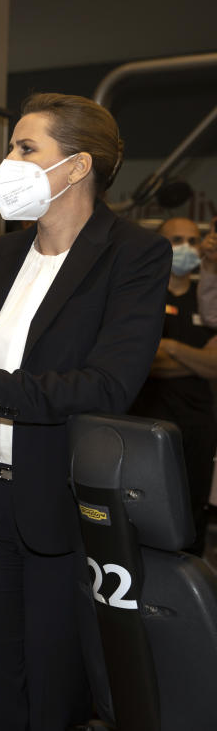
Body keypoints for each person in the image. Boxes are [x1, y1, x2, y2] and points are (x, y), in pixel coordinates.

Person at [0, 93, 171, 730]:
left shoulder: (133, 256)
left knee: (56, 698)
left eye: (26, 148)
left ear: (78, 166)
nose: (9, 161)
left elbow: (105, 386)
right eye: (11, 147)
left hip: (61, 508)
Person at [129, 217, 217, 555]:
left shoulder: (208, 299)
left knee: (192, 518)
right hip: (147, 425)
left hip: (197, 428)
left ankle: (190, 600)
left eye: (194, 241)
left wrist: (170, 347)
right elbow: (141, 363)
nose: (187, 248)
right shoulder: (142, 294)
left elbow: (214, 366)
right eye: (177, 239)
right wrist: (196, 359)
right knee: (143, 518)